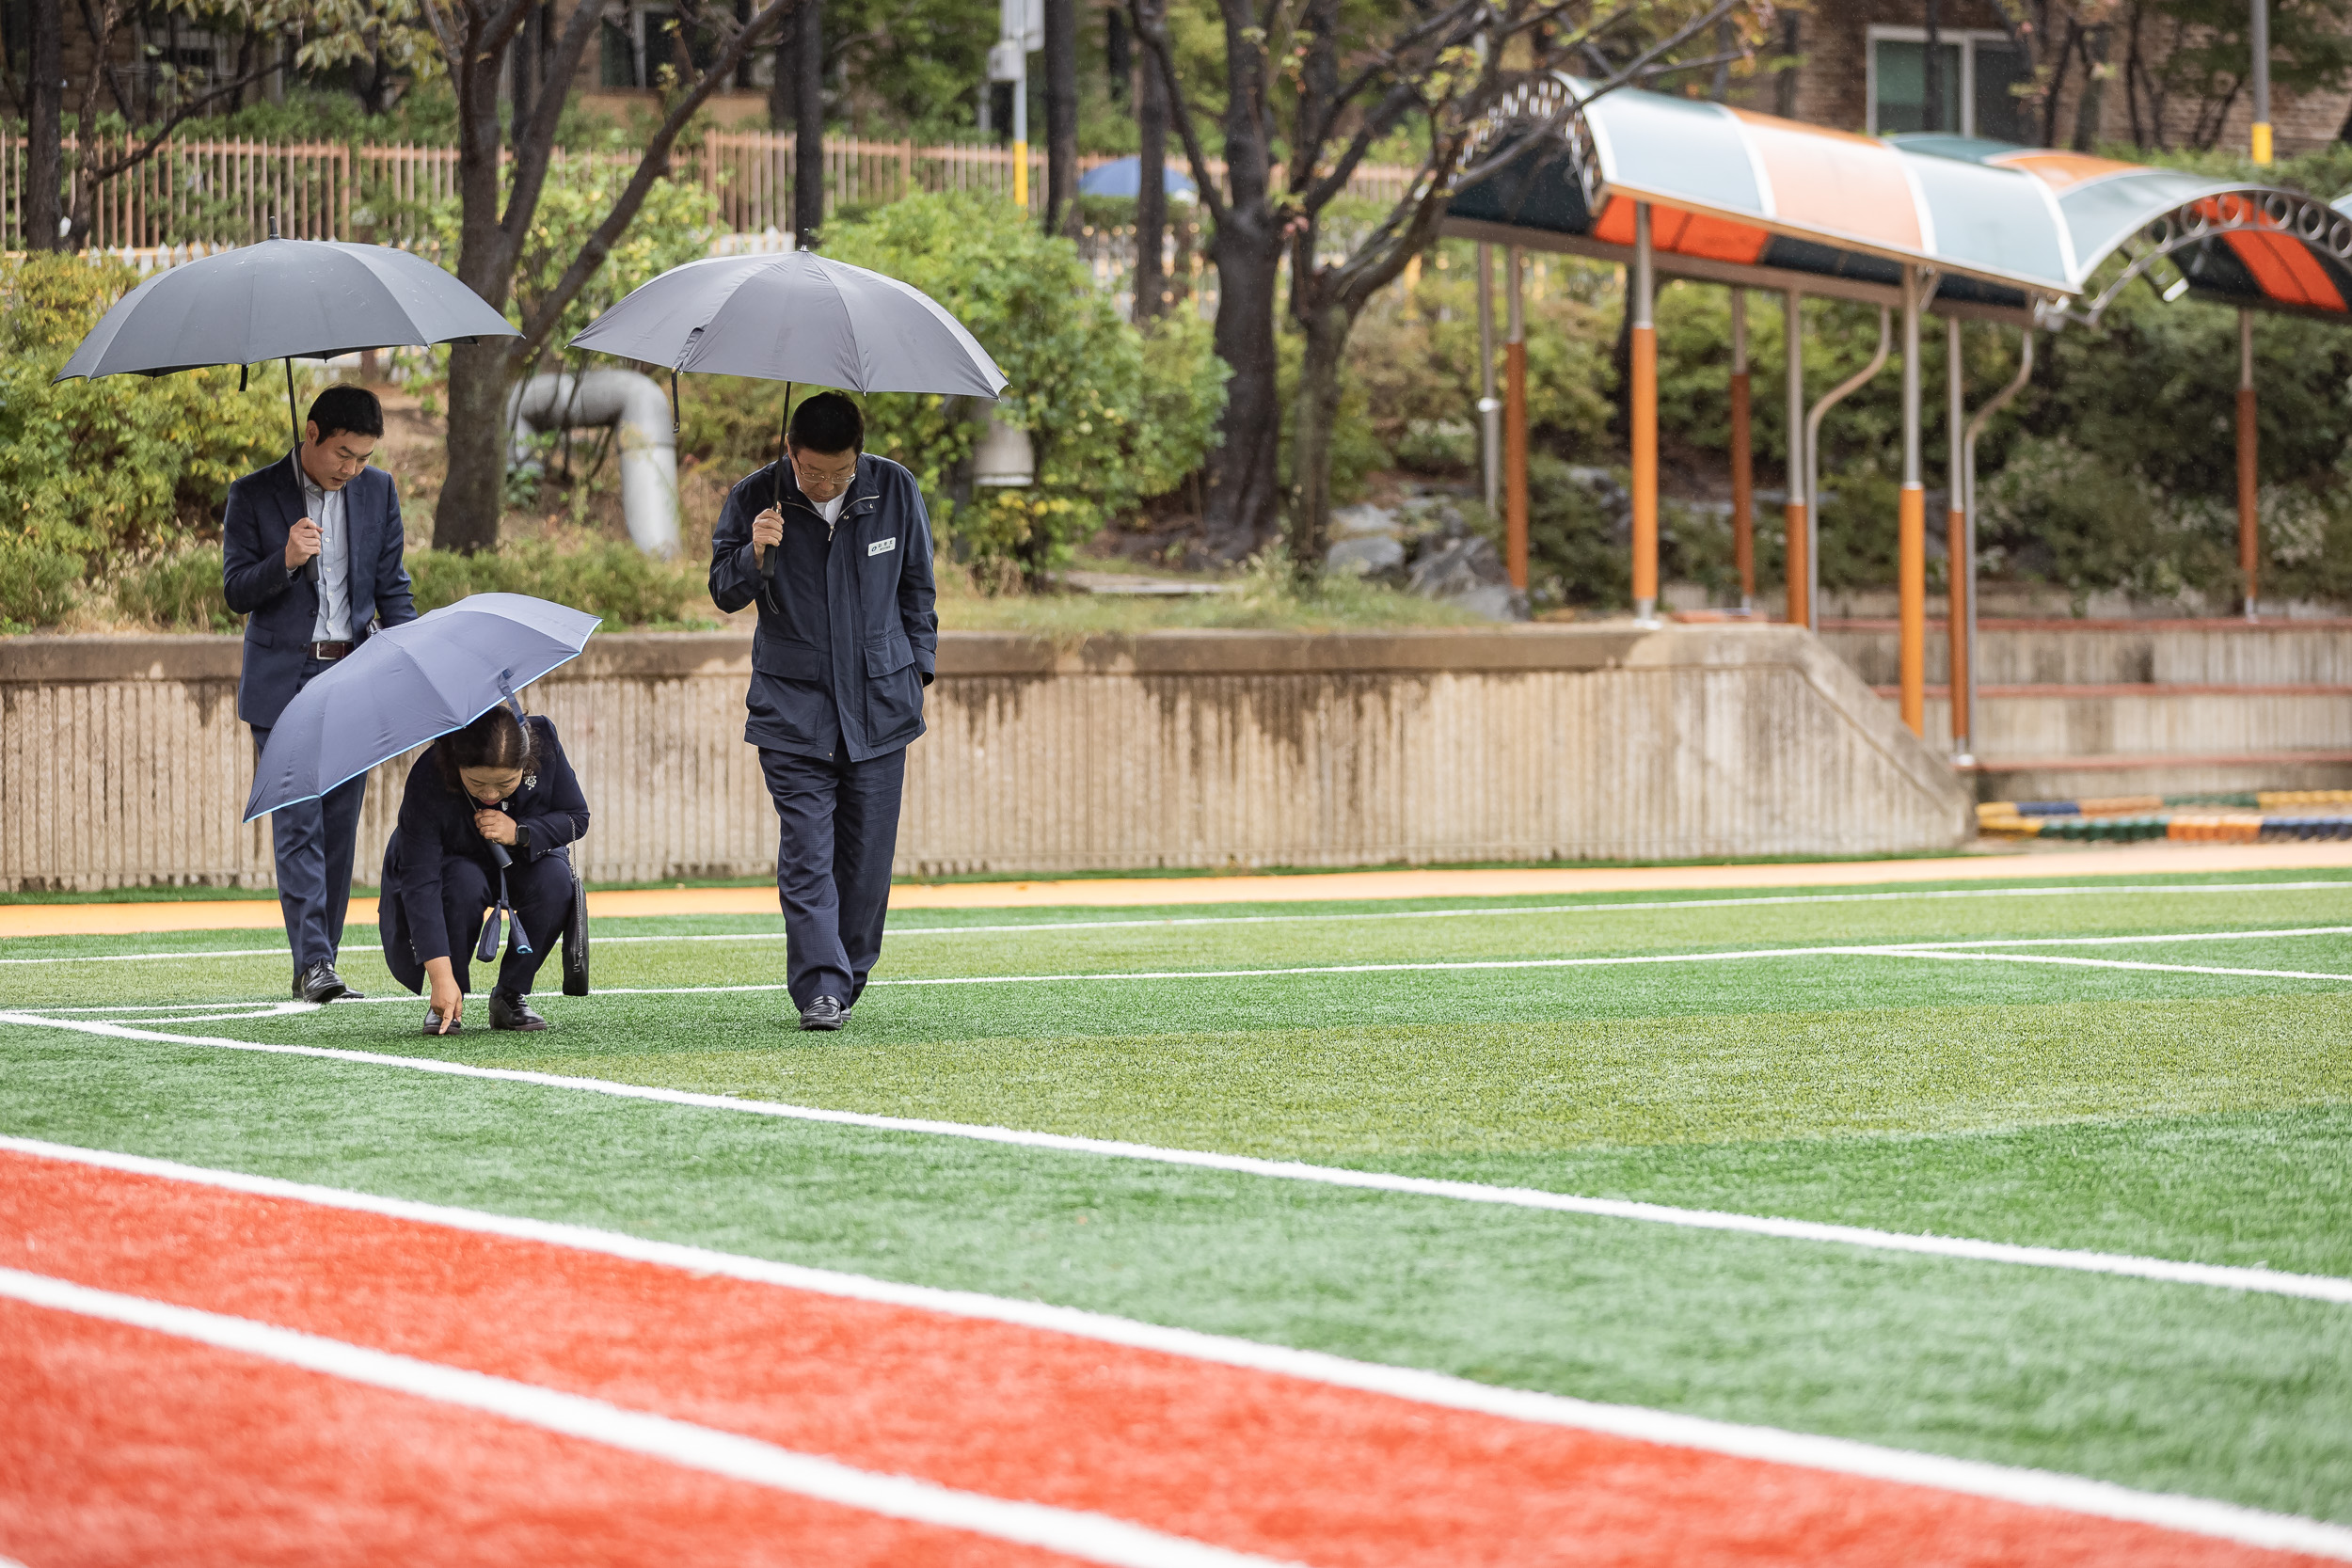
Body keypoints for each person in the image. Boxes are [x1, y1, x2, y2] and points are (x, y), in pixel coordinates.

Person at [709, 391, 936, 1031]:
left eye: (841, 472)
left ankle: (847, 974)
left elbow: (918, 587)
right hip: (792, 708)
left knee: (866, 864)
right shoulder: (757, 495)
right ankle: (821, 987)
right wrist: (754, 554)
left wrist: (917, 672)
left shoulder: (895, 488)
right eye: (814, 472)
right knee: (807, 853)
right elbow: (723, 591)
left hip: (881, 706)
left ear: (858, 455)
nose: (828, 483)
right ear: (791, 452)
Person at [222, 385, 417, 1004]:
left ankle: (321, 962)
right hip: (284, 682)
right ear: (311, 433)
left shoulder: (378, 491)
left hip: (350, 679)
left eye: (361, 456)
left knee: (338, 827)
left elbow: (393, 590)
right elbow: (234, 591)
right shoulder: (252, 495)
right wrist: (283, 558)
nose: (351, 468)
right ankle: (313, 963)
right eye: (342, 454)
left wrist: (412, 662)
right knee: (298, 819)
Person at [378, 705, 590, 1036]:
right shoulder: (427, 775)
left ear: (526, 763)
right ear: (456, 763)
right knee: (462, 883)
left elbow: (577, 817)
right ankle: (450, 1000)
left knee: (555, 882)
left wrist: (520, 831)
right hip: (455, 868)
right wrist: (440, 978)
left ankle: (510, 995)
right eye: (477, 783)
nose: (491, 795)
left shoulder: (543, 739)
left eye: (505, 783)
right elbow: (421, 884)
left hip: (523, 859)